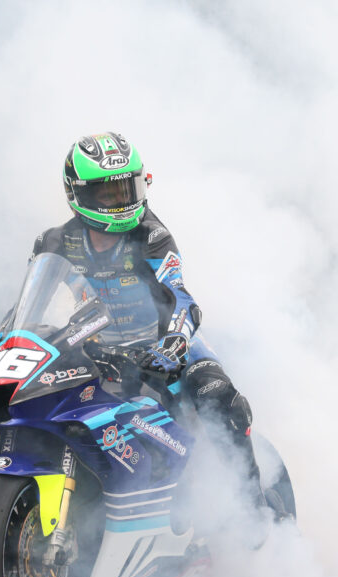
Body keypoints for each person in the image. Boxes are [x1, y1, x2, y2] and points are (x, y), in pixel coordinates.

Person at [29, 131, 280, 523]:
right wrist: (3, 345)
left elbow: (182, 298)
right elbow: (29, 306)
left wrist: (175, 343)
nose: (119, 202)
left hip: (161, 347)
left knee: (219, 395)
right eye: (106, 194)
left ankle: (255, 513)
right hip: (96, 351)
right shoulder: (54, 241)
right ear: (77, 194)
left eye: (126, 189)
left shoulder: (151, 235)